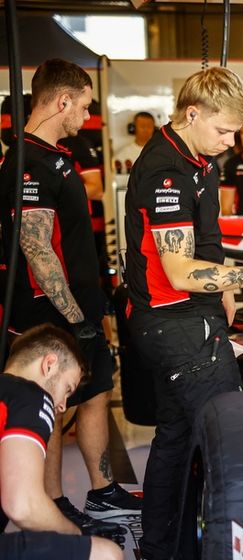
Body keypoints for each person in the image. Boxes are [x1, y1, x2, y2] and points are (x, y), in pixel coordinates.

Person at [124, 67, 243, 560]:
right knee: (232, 436)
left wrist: (226, 288)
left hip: (190, 315)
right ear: (192, 113)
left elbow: (202, 243)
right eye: (224, 131)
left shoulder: (200, 160)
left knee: (178, 437)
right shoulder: (166, 170)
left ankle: (160, 553)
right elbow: (180, 269)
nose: (230, 142)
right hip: (173, 322)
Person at [0, 59, 141, 531]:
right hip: (49, 311)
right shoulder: (28, 162)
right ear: (62, 100)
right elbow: (36, 247)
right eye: (81, 106)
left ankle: (103, 494)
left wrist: (92, 306)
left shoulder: (57, 155)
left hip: (81, 304)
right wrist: (74, 315)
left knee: (97, 388)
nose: (84, 117)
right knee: (53, 399)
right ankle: (54, 499)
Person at [0, 325, 125, 560]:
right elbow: (21, 504)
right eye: (67, 390)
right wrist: (75, 539)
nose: (60, 406)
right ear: (48, 364)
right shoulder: (29, 395)